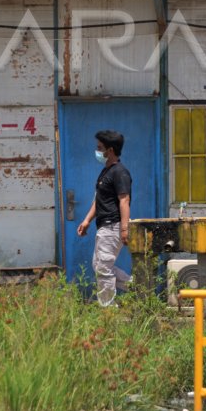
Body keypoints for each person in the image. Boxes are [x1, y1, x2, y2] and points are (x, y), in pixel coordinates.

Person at [76, 129, 131, 307]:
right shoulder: (105, 172)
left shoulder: (119, 172)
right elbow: (98, 200)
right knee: (99, 267)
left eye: (100, 147)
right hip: (104, 226)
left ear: (111, 150)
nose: (97, 151)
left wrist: (124, 229)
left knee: (103, 269)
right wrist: (86, 221)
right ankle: (138, 287)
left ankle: (107, 309)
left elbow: (124, 200)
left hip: (112, 226)